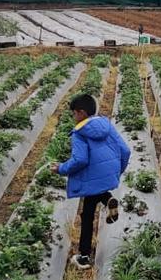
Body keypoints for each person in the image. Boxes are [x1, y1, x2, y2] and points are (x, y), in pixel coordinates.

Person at [55, 92, 131, 269]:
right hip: (107, 174)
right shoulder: (107, 125)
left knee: (87, 216)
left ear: (81, 113)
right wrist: (116, 172)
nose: (74, 117)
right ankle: (107, 199)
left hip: (92, 180)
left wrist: (61, 168)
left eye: (74, 113)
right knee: (98, 195)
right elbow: (125, 150)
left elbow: (80, 160)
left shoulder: (79, 133)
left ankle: (83, 256)